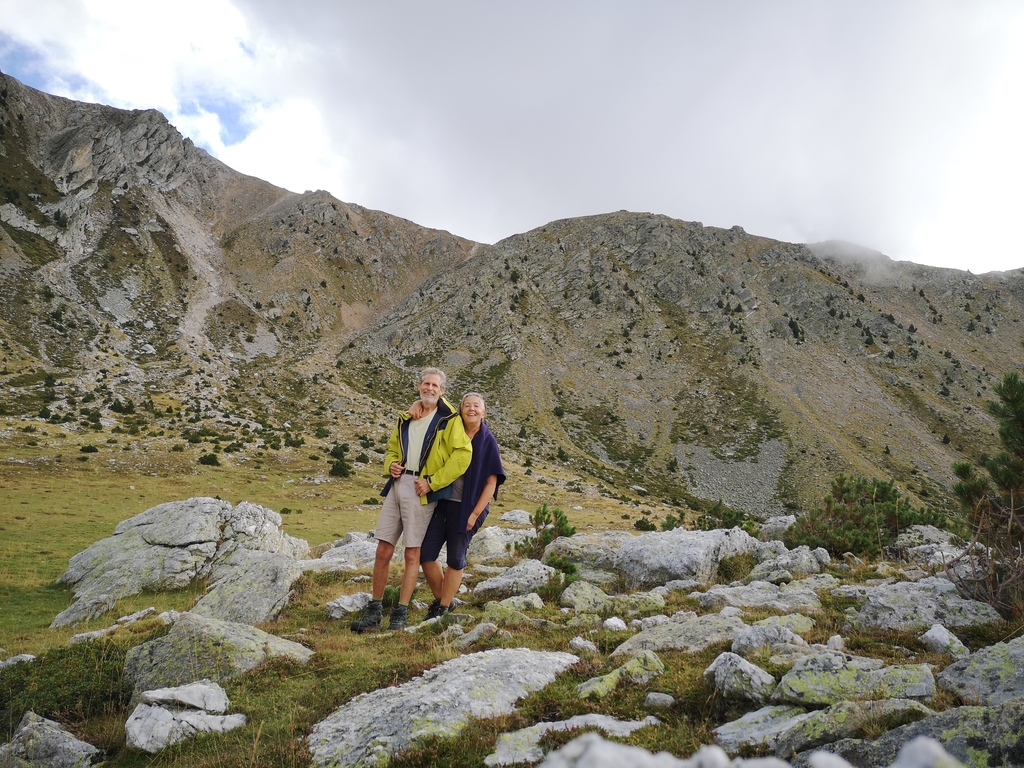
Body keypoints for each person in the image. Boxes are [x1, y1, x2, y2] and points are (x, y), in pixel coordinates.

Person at [350, 368, 472, 633]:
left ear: (442, 390)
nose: (429, 389)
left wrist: (433, 482)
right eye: (426, 384)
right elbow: (393, 448)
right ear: (419, 386)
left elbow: (462, 455)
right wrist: (390, 464)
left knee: (412, 552)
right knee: (383, 549)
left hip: (422, 489)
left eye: (435, 385)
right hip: (398, 484)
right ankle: (375, 610)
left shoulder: (449, 419)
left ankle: (401, 613)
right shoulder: (406, 417)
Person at [419, 392, 505, 619]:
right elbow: (436, 404)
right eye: (467, 405)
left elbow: (491, 483)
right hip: (443, 503)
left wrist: (474, 514)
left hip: (468, 508)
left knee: (456, 558)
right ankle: (443, 600)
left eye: (476, 406)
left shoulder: (488, 441)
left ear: (484, 412)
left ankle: (443, 608)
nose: (471, 409)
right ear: (460, 410)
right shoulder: (452, 431)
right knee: (426, 555)